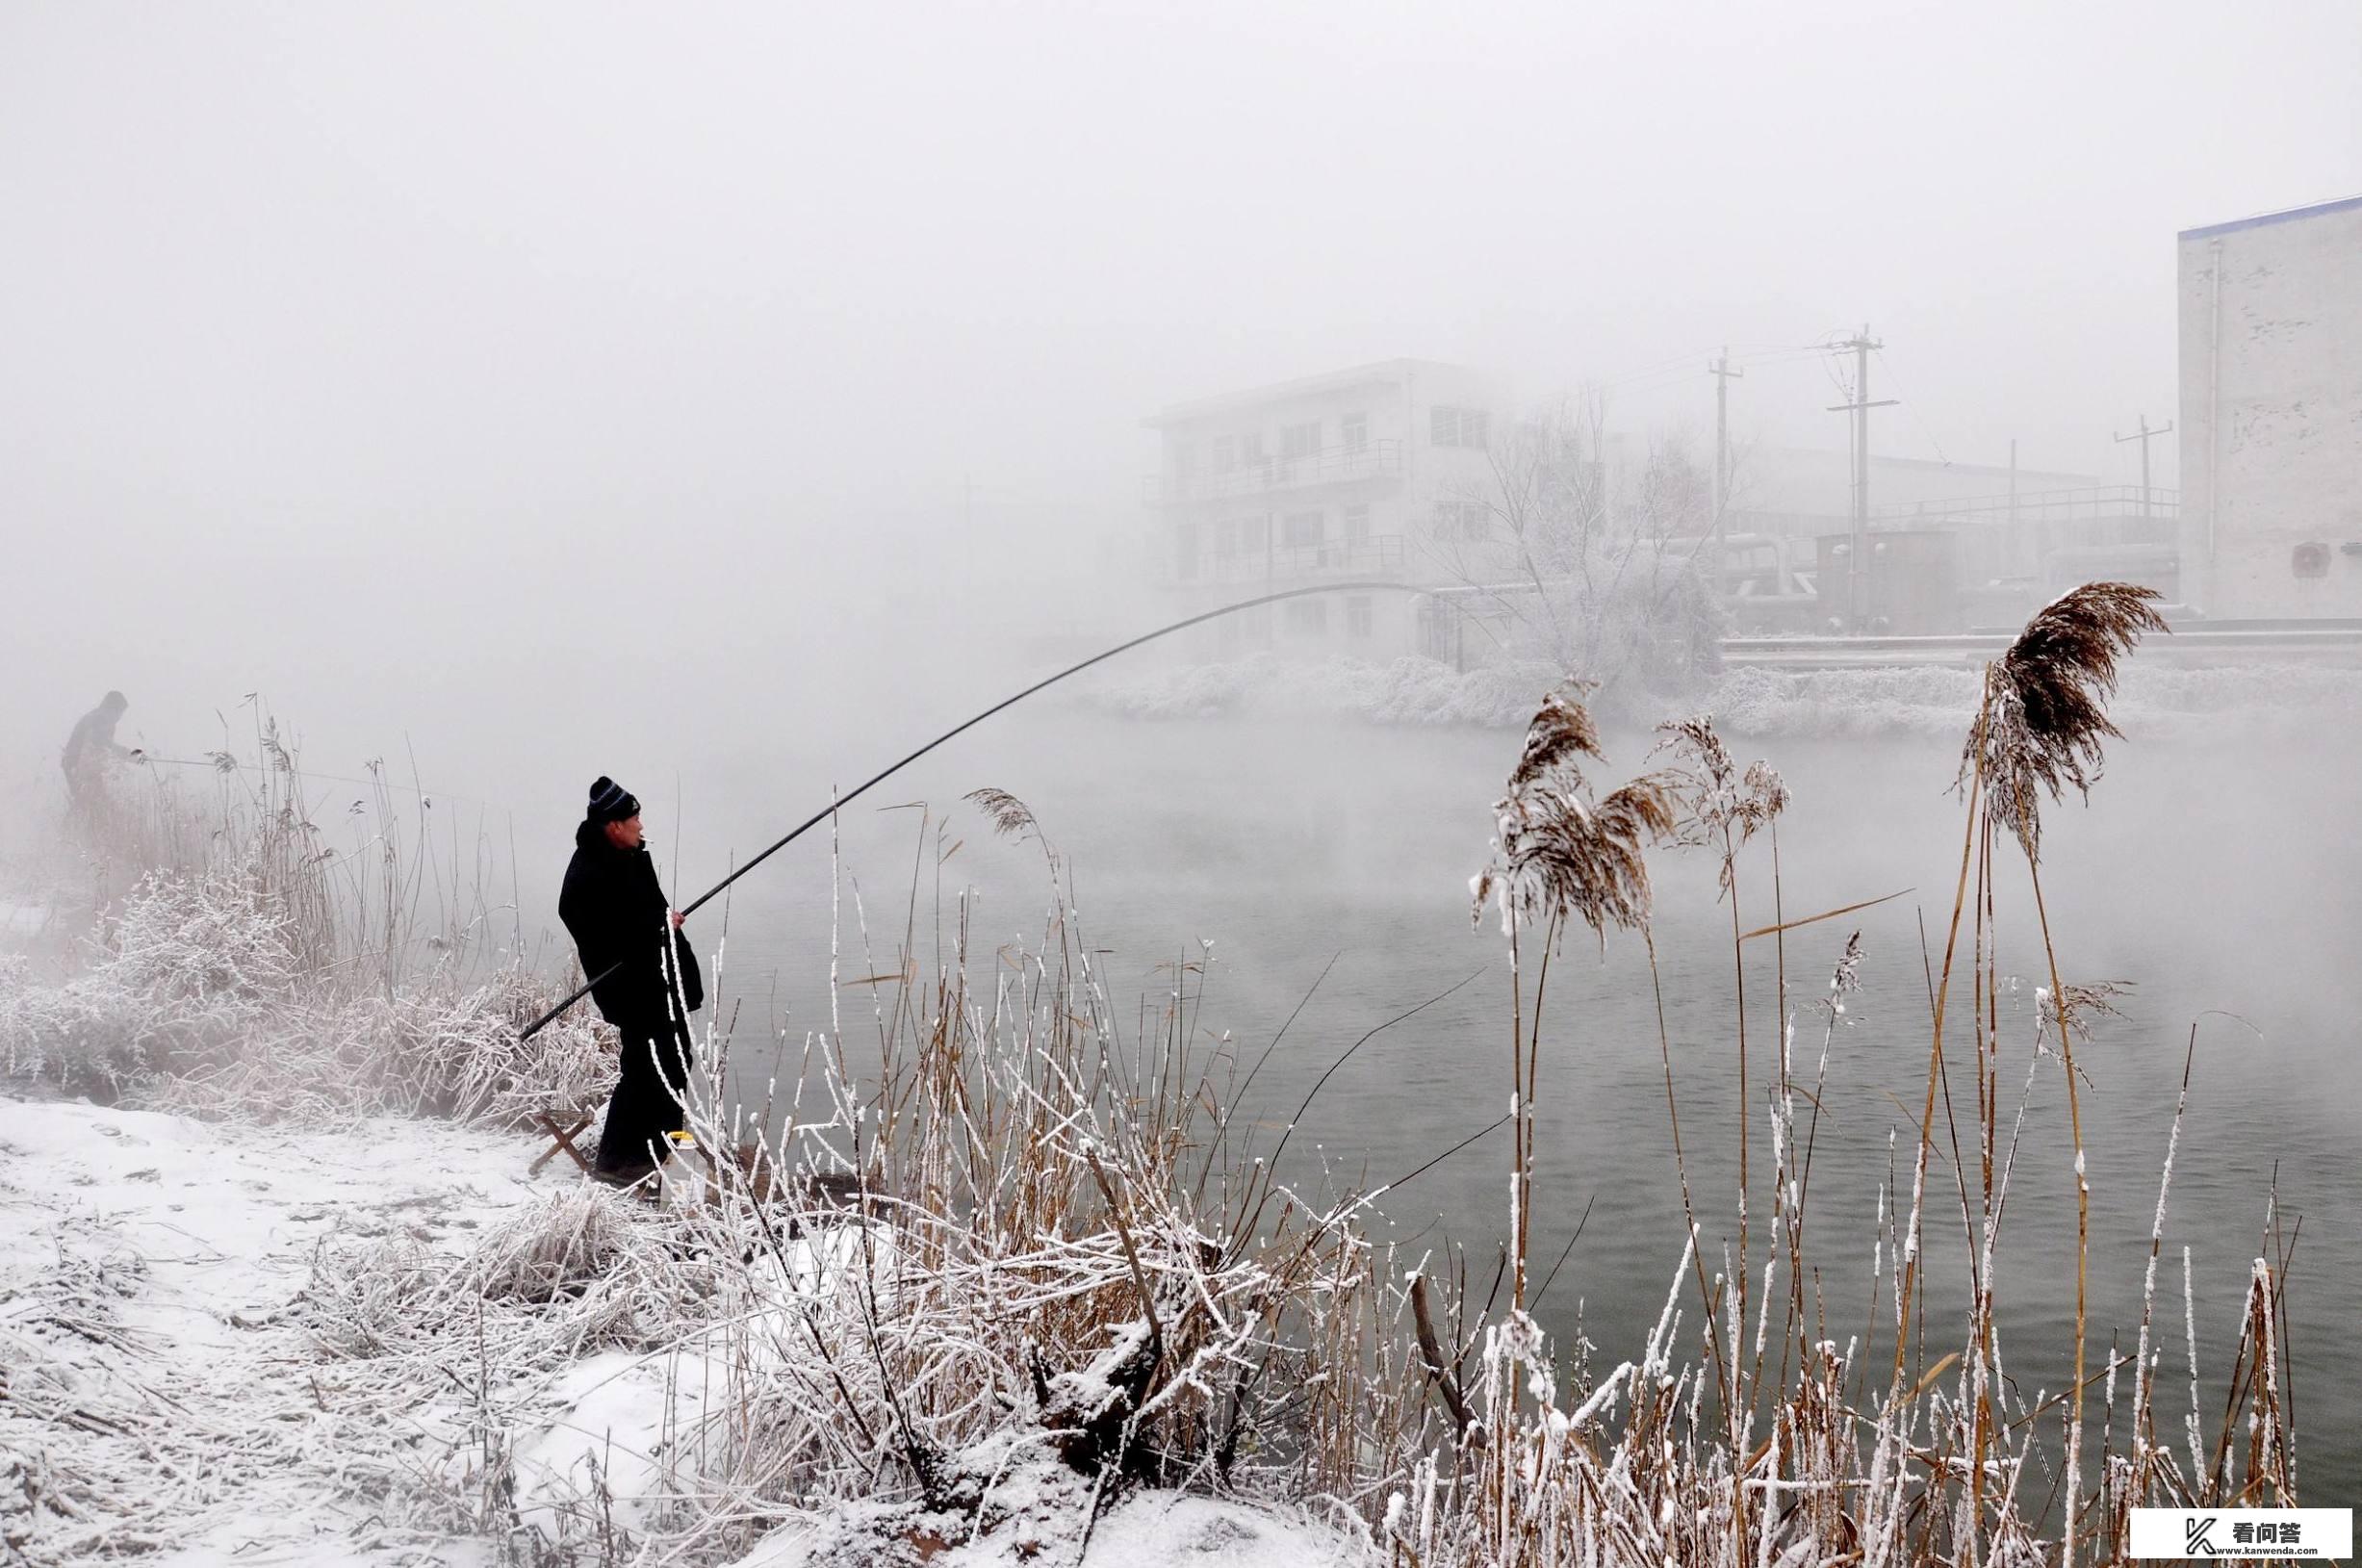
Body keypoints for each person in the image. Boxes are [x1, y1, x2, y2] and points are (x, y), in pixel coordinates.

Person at [557, 776, 705, 1186]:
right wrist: (653, 928)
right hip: (630, 985)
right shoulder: (589, 868)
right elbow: (585, 918)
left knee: (675, 1059)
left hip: (658, 975)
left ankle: (660, 1151)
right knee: (644, 1066)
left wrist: (664, 925)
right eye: (634, 817)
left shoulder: (630, 855)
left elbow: (645, 910)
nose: (641, 825)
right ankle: (616, 1162)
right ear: (613, 824)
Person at [62, 691, 134, 812]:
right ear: (111, 708)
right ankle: (74, 828)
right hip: (78, 765)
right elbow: (98, 739)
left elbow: (102, 747)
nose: (119, 717)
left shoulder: (101, 719)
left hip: (84, 767)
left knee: (90, 803)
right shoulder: (98, 718)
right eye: (119, 712)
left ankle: (74, 827)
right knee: (90, 803)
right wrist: (124, 752)